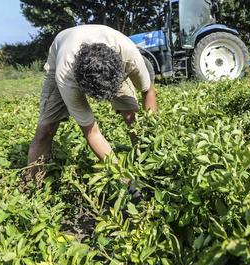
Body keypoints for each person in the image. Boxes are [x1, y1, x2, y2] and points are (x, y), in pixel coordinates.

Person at [27, 24, 157, 179]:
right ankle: (32, 182)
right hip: (63, 55)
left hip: (113, 56)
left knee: (130, 115)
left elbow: (148, 90)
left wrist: (152, 140)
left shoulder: (129, 55)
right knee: (46, 130)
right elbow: (92, 132)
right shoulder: (66, 75)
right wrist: (123, 177)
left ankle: (145, 159)